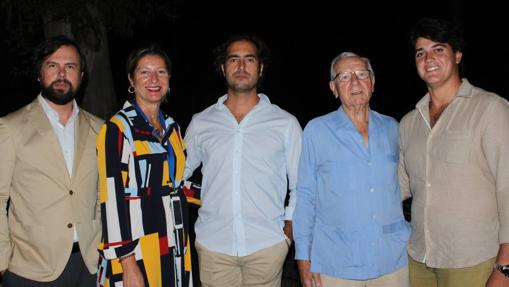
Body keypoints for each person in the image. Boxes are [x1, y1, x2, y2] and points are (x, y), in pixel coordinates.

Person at [184, 34, 302, 287]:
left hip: (267, 246)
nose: (240, 66)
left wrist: (289, 229)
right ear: (222, 67)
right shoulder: (201, 122)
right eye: (233, 59)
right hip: (214, 247)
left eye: (249, 59)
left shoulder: (285, 123)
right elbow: (177, 174)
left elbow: (300, 183)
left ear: (260, 68)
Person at [399, 18, 509, 287]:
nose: (429, 58)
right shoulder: (408, 124)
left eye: (438, 49)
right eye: (420, 52)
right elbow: (396, 189)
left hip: (473, 261)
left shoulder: (490, 109)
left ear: (457, 55)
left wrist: (505, 267)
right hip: (420, 259)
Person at [293, 52, 410, 287]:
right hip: (336, 263)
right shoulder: (317, 131)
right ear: (333, 88)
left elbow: (406, 184)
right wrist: (303, 257)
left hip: (392, 261)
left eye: (361, 74)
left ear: (373, 82)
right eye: (344, 76)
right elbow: (305, 196)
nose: (355, 82)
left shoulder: (393, 128)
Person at [0, 35, 103, 286]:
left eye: (70, 67)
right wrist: (2, 262)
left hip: (89, 266)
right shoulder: (10, 127)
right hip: (31, 270)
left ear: (81, 74)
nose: (61, 74)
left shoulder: (100, 130)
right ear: (39, 73)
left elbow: (103, 197)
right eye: (52, 65)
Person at [96, 45, 200, 287]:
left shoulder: (172, 127)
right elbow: (113, 197)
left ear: (169, 79)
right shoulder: (117, 129)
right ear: (131, 79)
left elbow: (174, 184)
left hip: (173, 241)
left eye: (161, 72)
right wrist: (128, 263)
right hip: (137, 250)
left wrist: (218, 194)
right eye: (145, 72)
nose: (154, 79)